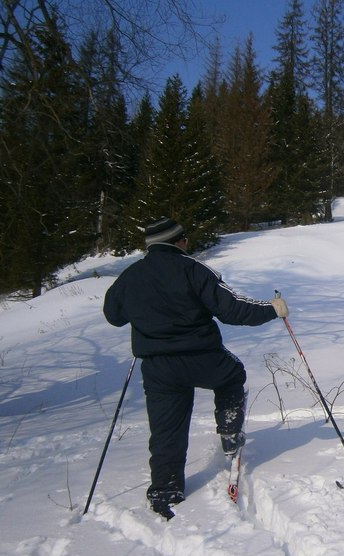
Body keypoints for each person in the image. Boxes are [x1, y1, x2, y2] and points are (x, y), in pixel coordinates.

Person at [103, 218, 288, 519]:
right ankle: (229, 429)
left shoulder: (131, 276)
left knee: (166, 430)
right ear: (179, 241)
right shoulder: (193, 269)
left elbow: (113, 313)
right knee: (232, 374)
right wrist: (272, 309)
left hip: (158, 366)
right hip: (202, 357)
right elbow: (232, 308)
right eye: (185, 238)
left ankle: (166, 489)